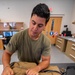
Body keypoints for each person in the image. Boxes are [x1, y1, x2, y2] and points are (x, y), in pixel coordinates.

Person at [2, 3, 51, 75]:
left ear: (45, 25)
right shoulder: (17, 37)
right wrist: (6, 67)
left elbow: (46, 60)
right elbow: (7, 53)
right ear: (30, 19)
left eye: (40, 25)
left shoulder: (46, 41)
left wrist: (37, 68)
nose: (35, 28)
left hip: (36, 67)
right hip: (20, 67)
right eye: (33, 23)